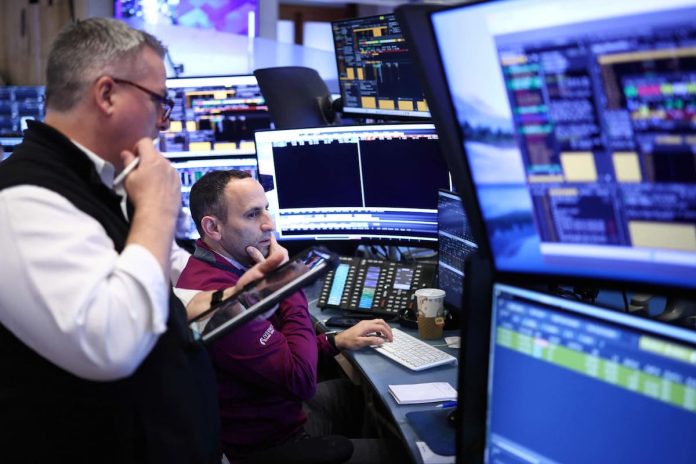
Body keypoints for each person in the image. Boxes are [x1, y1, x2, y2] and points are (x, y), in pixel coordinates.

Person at [0, 18, 283, 462]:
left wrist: (230, 297)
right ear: (107, 94)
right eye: (159, 102)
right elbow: (111, 344)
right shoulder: (21, 202)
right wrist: (156, 207)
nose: (164, 124)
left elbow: (150, 295)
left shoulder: (103, 182)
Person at [175, 169, 396, 462]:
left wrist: (334, 341)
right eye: (253, 214)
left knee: (373, 401)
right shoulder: (217, 299)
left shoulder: (231, 266)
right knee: (401, 453)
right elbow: (301, 379)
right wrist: (288, 282)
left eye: (266, 209)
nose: (269, 224)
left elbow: (280, 351)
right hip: (271, 444)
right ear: (213, 227)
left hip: (277, 412)